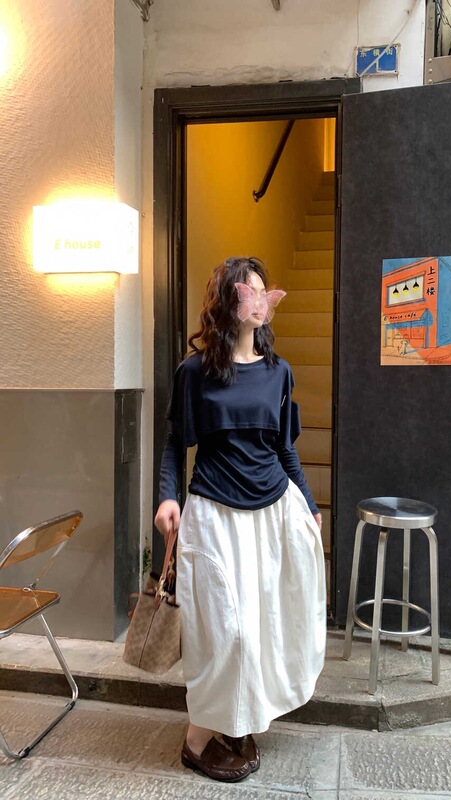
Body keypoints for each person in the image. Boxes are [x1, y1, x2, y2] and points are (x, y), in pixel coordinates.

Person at [154, 256, 327, 783]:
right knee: (225, 632)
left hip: (272, 514)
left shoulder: (279, 371)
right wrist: (167, 498)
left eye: (262, 289)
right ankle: (196, 740)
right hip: (213, 515)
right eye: (247, 290)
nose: (259, 298)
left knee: (263, 626)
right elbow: (174, 442)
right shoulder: (195, 372)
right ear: (228, 302)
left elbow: (284, 447)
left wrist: (309, 504)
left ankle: (239, 721)